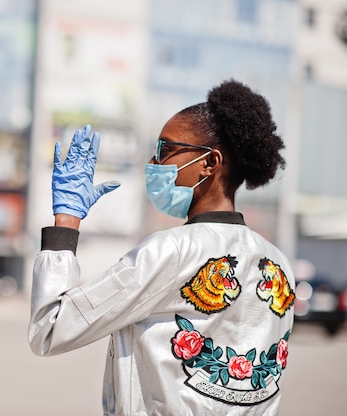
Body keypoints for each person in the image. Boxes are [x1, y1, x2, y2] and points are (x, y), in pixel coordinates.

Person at [28, 79, 295, 415]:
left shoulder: (170, 251)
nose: (154, 163)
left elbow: (50, 328)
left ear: (209, 163)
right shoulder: (279, 263)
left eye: (166, 150)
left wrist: (65, 221)